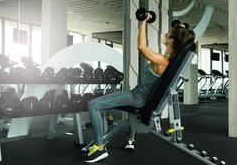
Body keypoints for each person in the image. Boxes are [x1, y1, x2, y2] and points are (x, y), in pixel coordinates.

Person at [84, 14, 195, 163]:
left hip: (136, 98)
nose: (165, 34)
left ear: (171, 40)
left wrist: (143, 22)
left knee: (94, 104)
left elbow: (142, 47)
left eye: (167, 34)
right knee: (103, 101)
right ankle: (100, 139)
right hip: (136, 95)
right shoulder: (166, 59)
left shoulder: (163, 61)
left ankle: (99, 147)